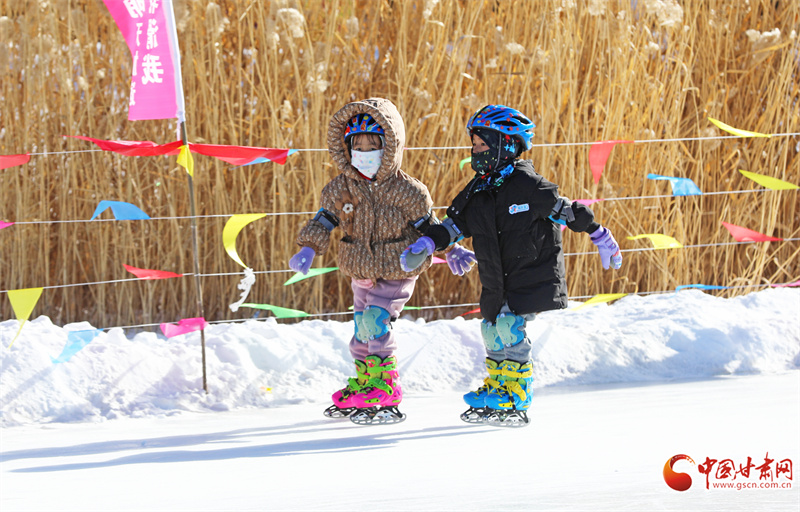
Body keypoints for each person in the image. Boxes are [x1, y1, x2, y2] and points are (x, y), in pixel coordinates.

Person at [399, 104, 622, 426]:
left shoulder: (527, 185)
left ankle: (517, 391)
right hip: (495, 278)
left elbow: (565, 210)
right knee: (491, 329)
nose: (476, 151)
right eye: (474, 144)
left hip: (530, 275)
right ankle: (498, 385)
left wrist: (599, 233)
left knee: (508, 326)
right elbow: (454, 224)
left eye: (482, 144)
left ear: (506, 144)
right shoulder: (477, 190)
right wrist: (429, 243)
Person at [289, 98, 468, 425]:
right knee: (361, 329)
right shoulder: (342, 187)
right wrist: (309, 247)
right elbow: (324, 219)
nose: (365, 154)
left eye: (373, 146)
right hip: (361, 267)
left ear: (390, 147)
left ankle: (386, 387)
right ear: (346, 149)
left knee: (375, 321)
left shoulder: (406, 190)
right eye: (357, 147)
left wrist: (451, 249)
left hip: (398, 266)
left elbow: (429, 226)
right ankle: (365, 383)